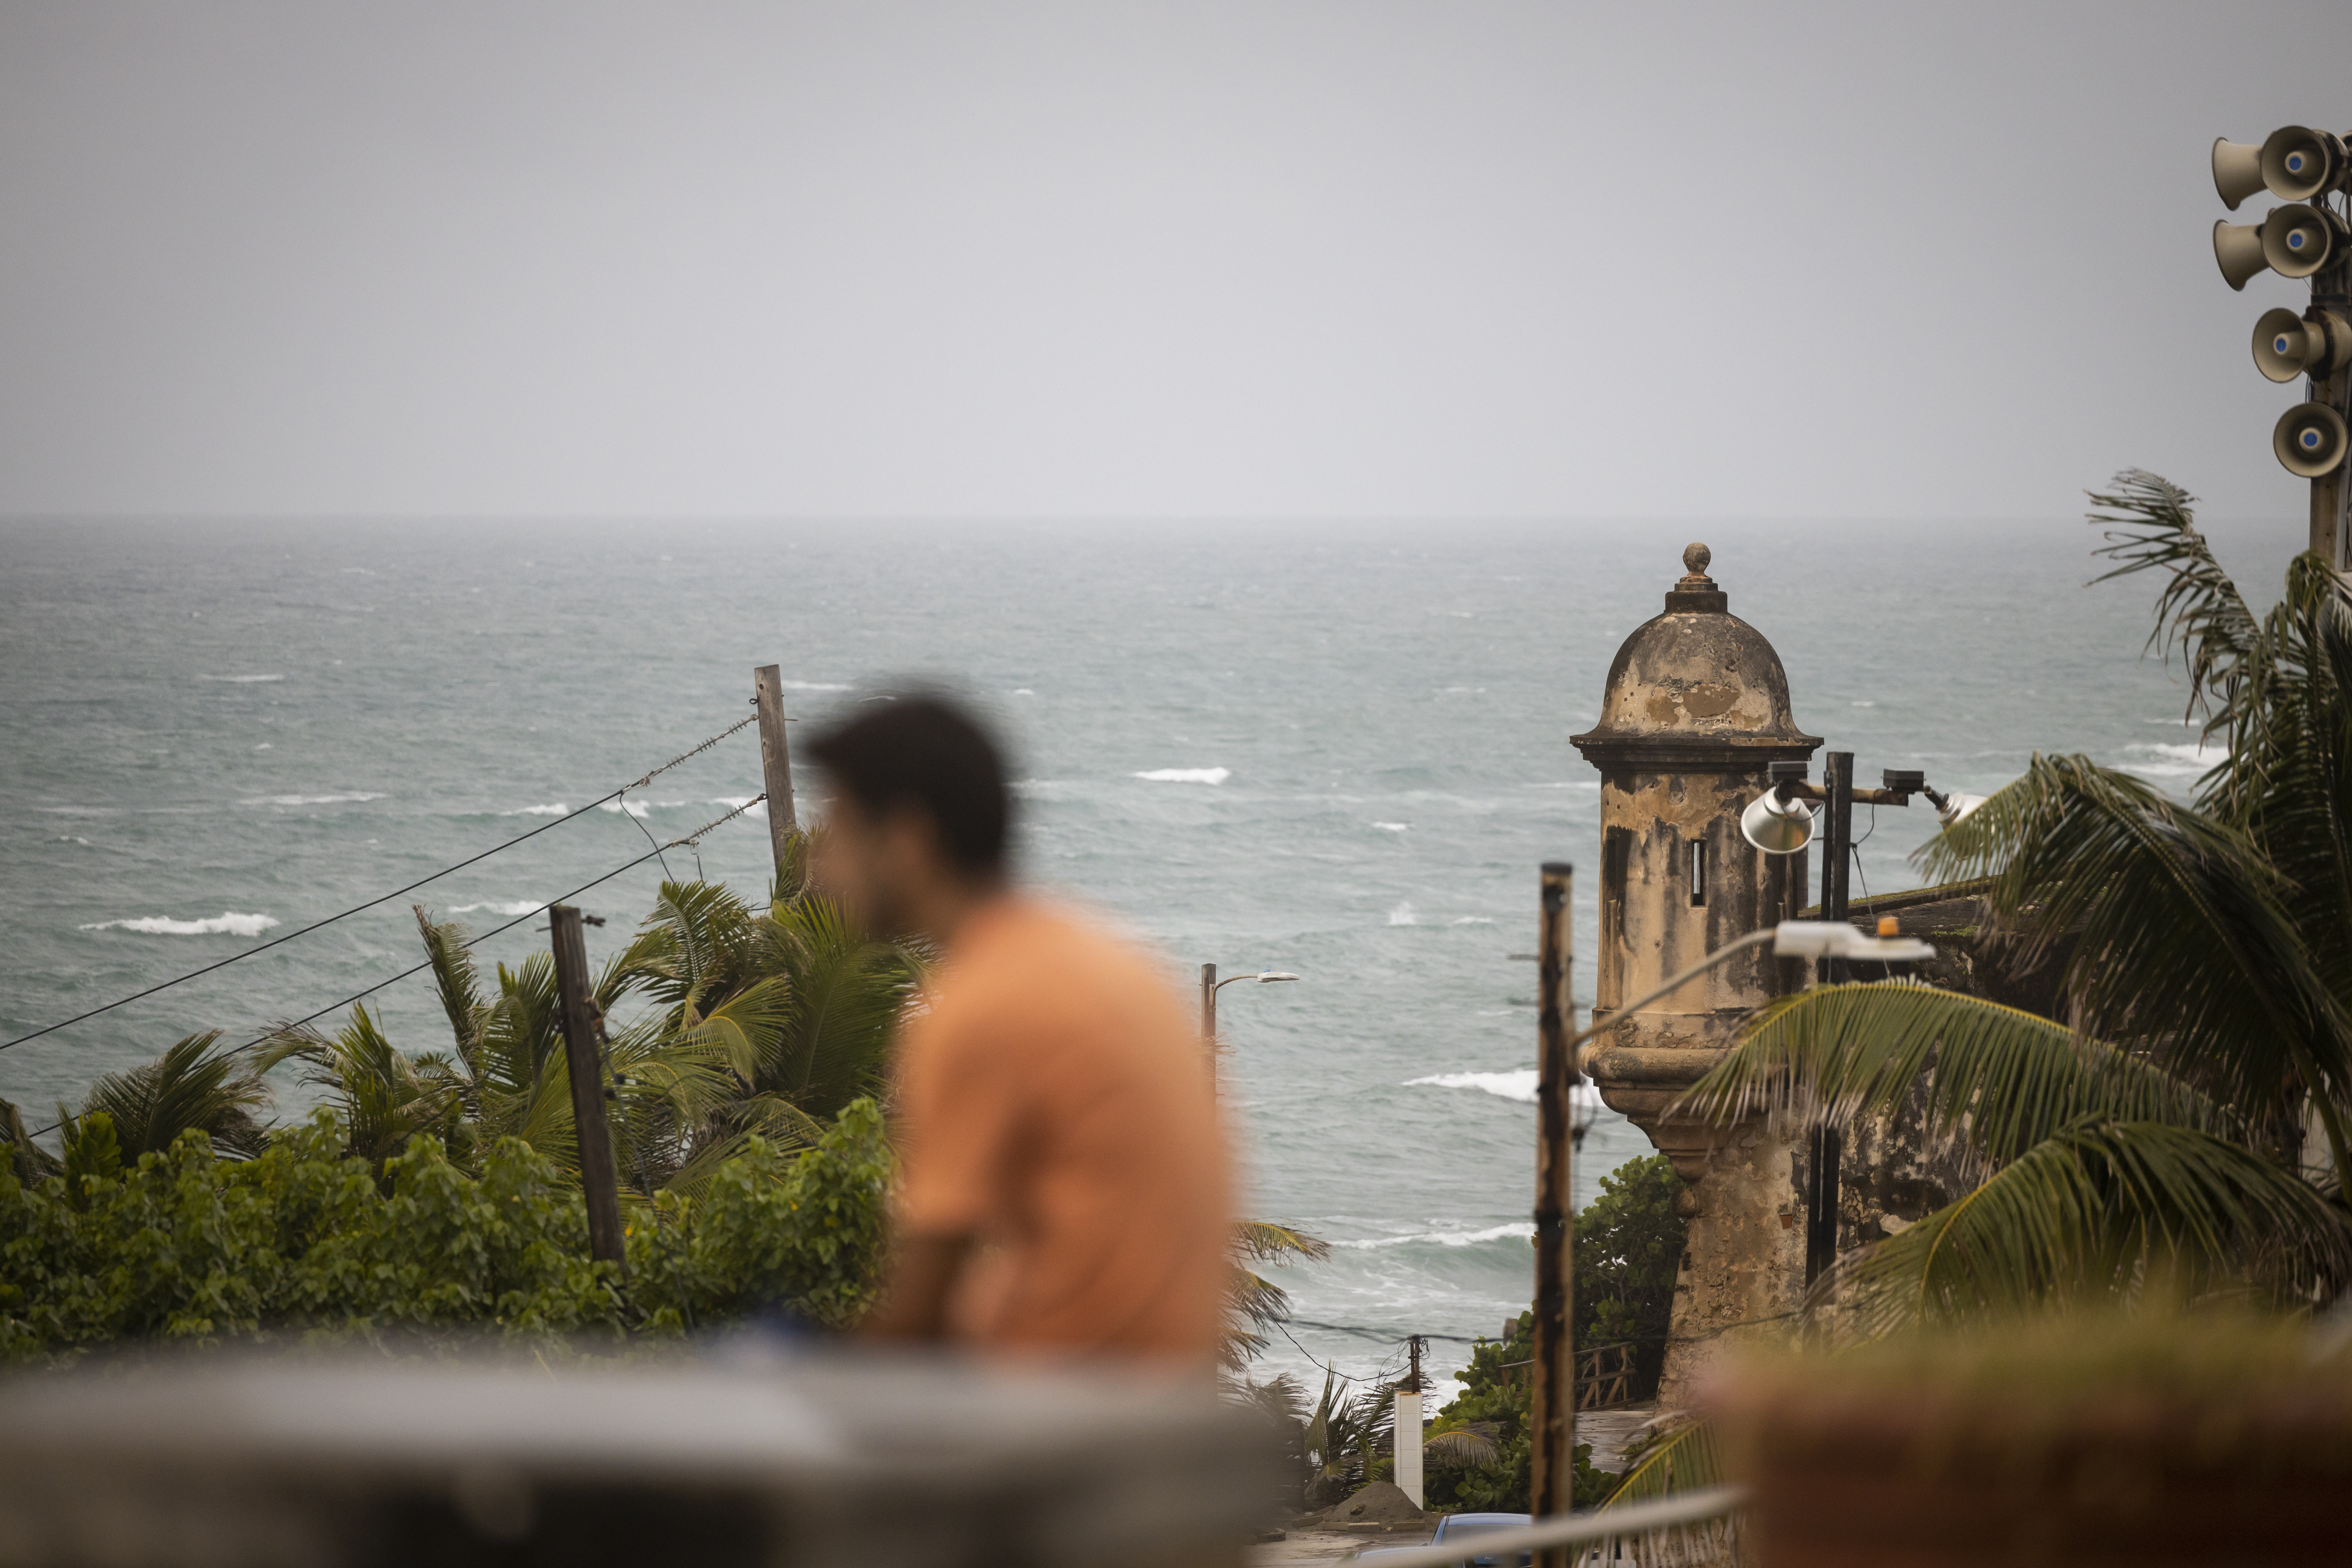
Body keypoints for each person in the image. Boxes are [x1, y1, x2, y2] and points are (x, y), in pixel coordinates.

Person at [806, 693, 1232, 1366]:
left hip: (1060, 1411)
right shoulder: (1098, 955)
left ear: (906, 841)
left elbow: (920, 1312)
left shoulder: (981, 1004)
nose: (819, 868)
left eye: (838, 834)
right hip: (1156, 1394)